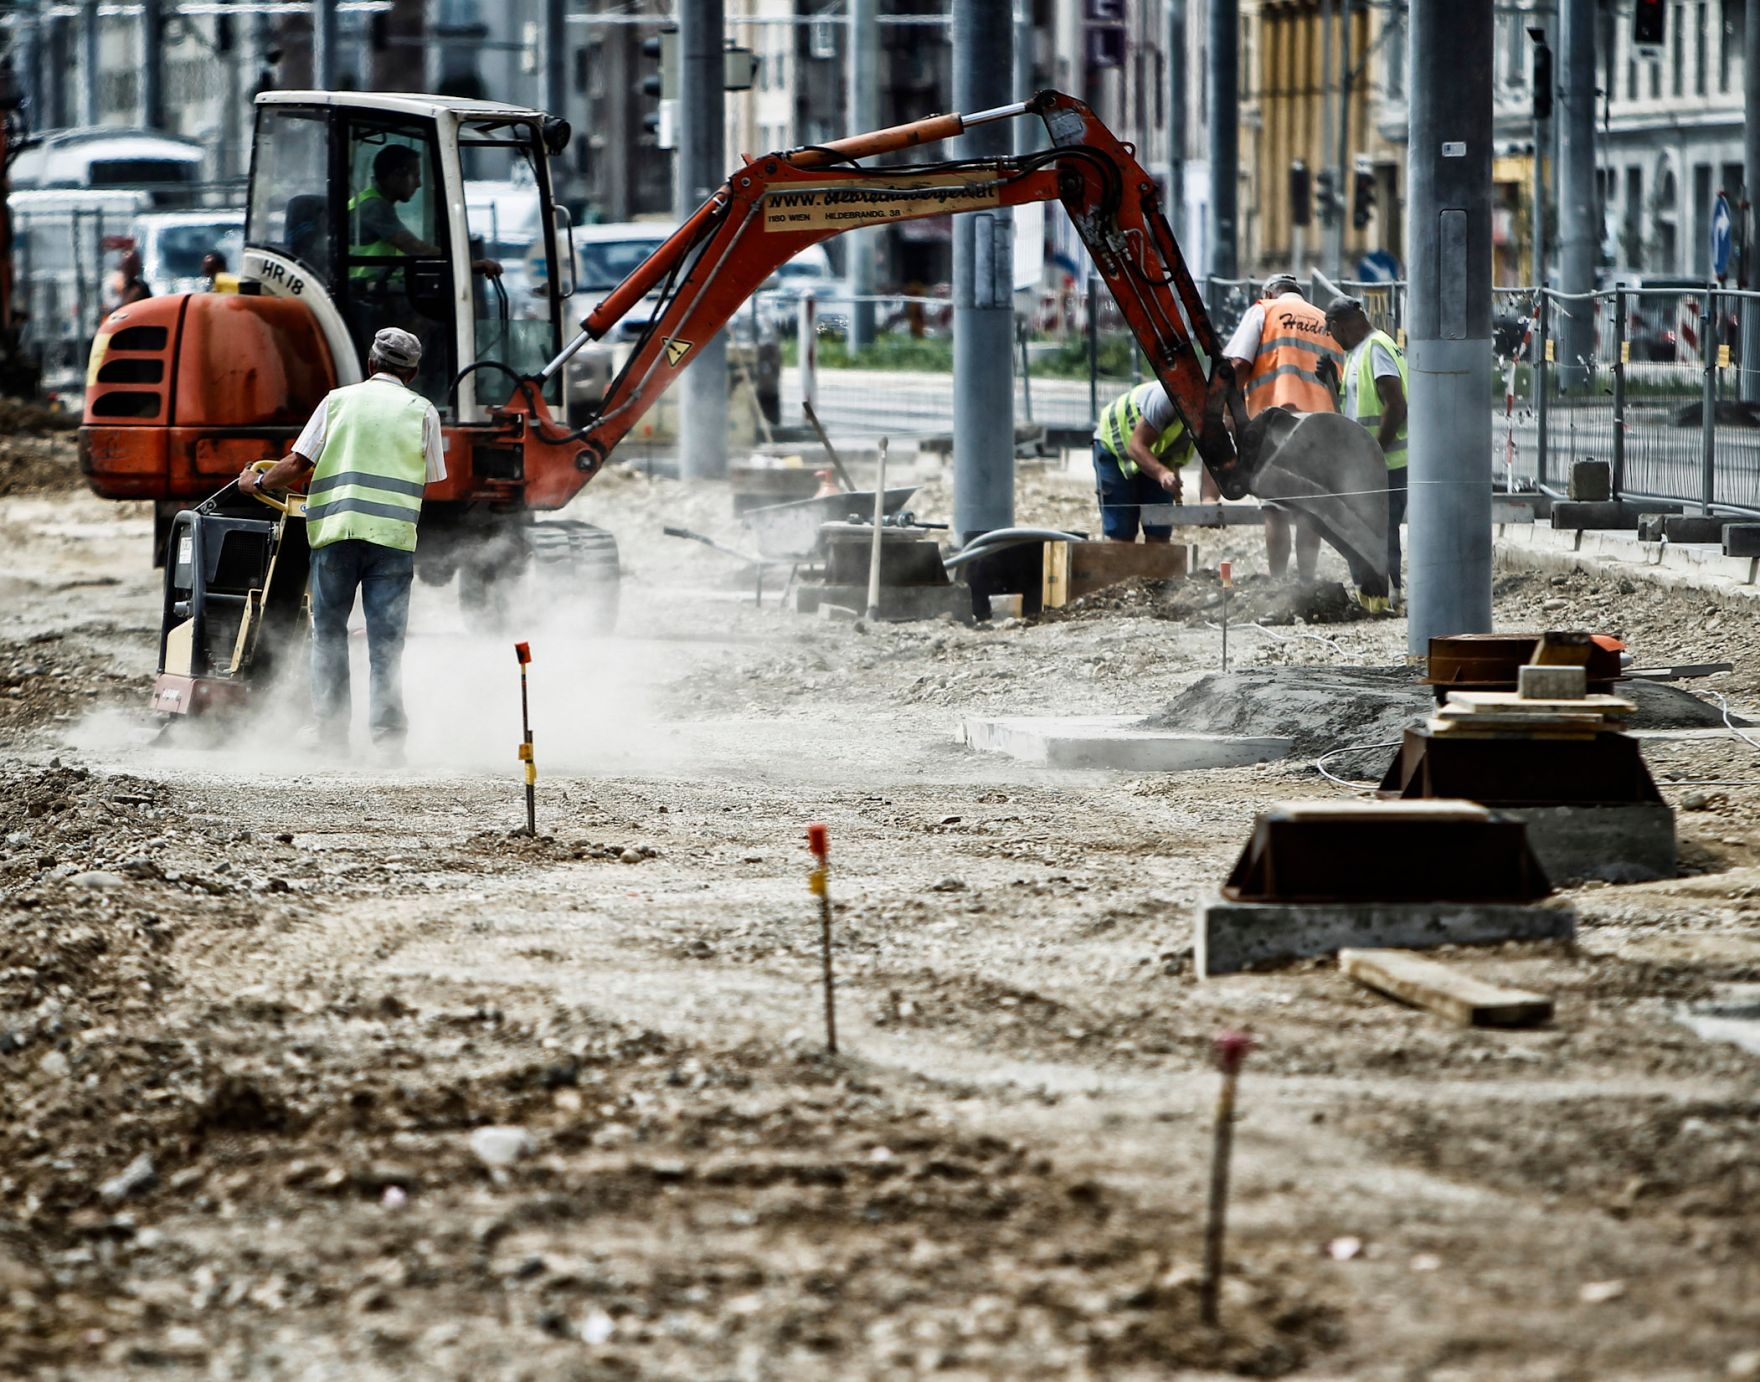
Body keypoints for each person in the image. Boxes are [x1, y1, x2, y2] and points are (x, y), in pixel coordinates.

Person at [239, 327, 445, 766]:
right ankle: (389, 741)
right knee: (386, 642)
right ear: (413, 373)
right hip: (392, 541)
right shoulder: (423, 411)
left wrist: (255, 482)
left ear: (370, 365)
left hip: (336, 536)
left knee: (328, 635)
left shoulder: (337, 401)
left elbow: (297, 463)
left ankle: (331, 735)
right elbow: (432, 476)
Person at [1221, 273, 1343, 582]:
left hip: (1277, 422)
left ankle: (1278, 582)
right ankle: (1306, 582)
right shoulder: (1323, 320)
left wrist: (1226, 413)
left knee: (1275, 506)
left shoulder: (1265, 310)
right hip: (1322, 425)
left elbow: (1237, 364)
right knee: (1309, 509)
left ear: (1268, 292)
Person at [1324, 295, 1408, 604]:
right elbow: (1352, 410)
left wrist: (1374, 452)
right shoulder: (1358, 352)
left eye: (1330, 331)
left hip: (1387, 461)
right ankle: (1373, 594)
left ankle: (1388, 595)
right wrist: (1331, 382)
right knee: (1364, 528)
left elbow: (1396, 404)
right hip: (1370, 462)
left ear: (1338, 325)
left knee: (1381, 530)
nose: (1331, 338)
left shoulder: (1377, 348)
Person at [350, 143, 501, 281]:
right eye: (415, 176)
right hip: (360, 295)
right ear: (397, 174)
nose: (419, 184)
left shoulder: (368, 200)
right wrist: (469, 264)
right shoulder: (375, 207)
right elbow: (415, 248)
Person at [1090, 380, 1194, 543]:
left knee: (1159, 529)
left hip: (1153, 453)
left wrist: (1209, 499)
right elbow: (1136, 446)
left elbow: (1215, 463)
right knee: (1122, 531)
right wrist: (1162, 473)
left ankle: (1155, 568)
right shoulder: (1167, 399)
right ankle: (1120, 566)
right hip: (1115, 444)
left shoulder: (1212, 416)